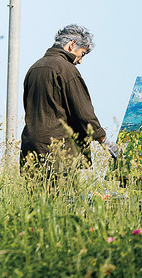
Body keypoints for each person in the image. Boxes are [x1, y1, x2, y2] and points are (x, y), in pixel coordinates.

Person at [20, 24, 123, 182]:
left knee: (36, 203)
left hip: (30, 149)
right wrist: (104, 141)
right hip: (57, 152)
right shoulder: (66, 69)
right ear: (72, 44)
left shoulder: (35, 68)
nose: (80, 61)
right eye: (82, 54)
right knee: (63, 204)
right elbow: (83, 112)